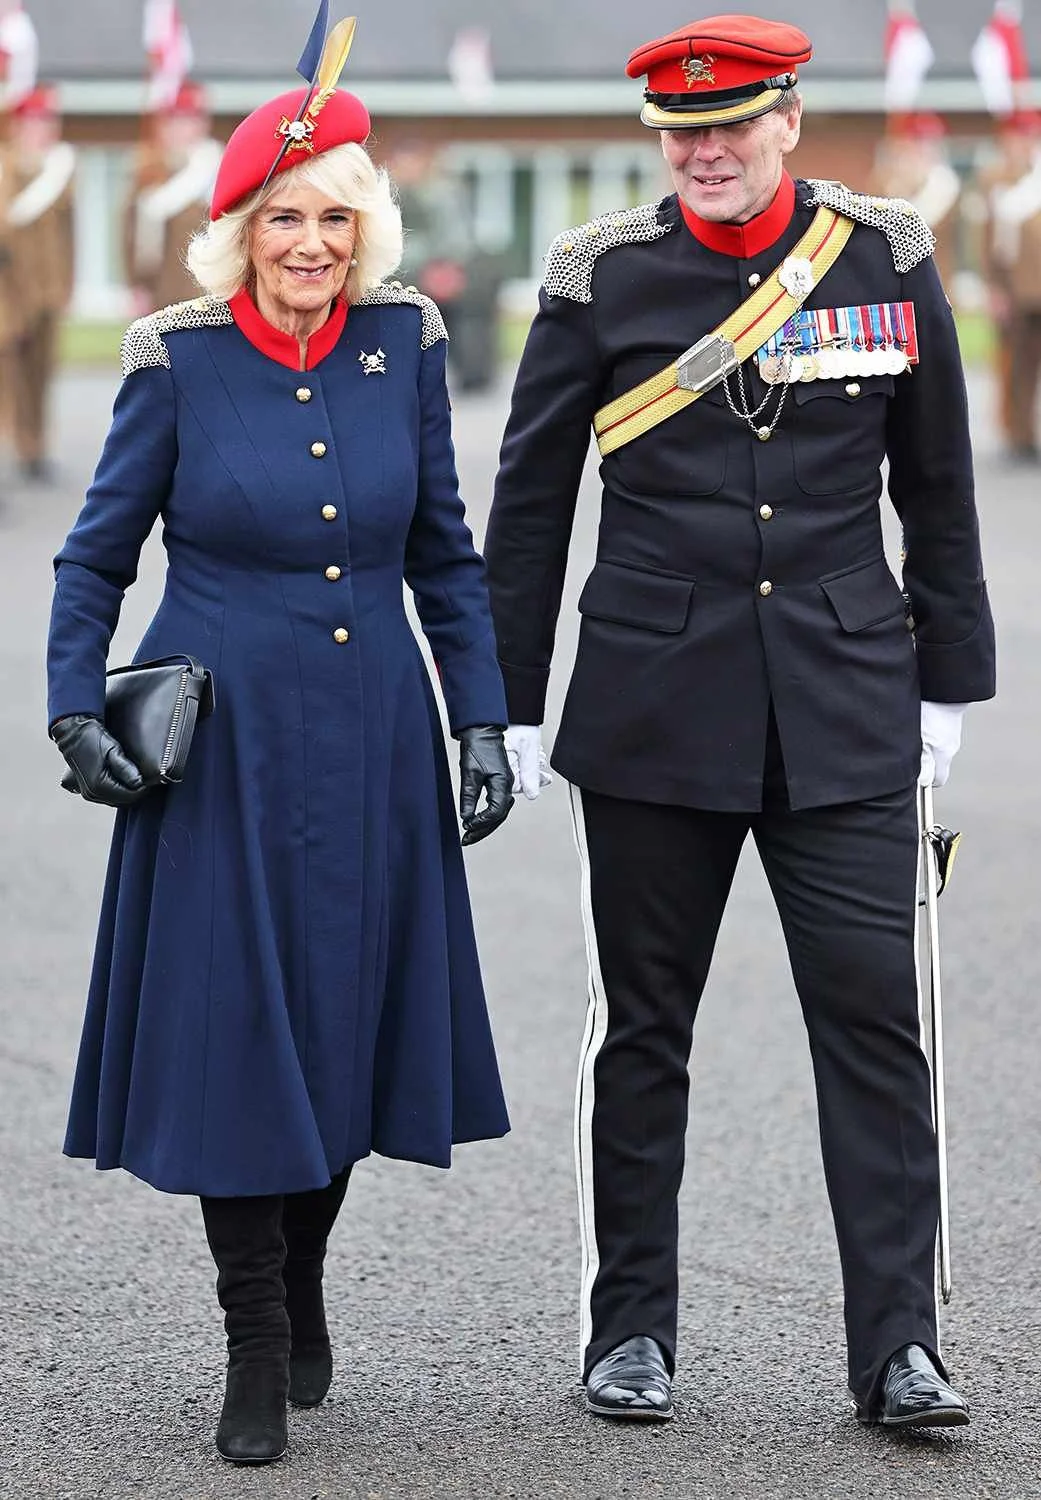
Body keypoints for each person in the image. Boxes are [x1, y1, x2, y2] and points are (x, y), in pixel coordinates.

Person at [484, 14, 994, 1431]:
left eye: (729, 125)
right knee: (641, 1032)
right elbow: (530, 506)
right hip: (650, 713)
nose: (703, 152)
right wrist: (504, 704)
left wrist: (946, 679)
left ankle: (900, 1347)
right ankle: (628, 1330)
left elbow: (937, 486)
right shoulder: (604, 280)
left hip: (844, 709)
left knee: (877, 1033)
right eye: (679, 133)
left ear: (787, 117)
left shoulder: (883, 254)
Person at [46, 46, 513, 1467]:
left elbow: (444, 551)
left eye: (330, 217)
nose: (307, 244)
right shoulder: (176, 361)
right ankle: (254, 1330)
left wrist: (479, 715)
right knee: (238, 1038)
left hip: (372, 739)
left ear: (362, 227)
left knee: (344, 1029)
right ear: (239, 233)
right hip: (226, 756)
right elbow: (92, 560)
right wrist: (76, 707)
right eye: (280, 219)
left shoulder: (404, 351)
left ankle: (305, 1271)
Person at [2, 83, 75, 481]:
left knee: (40, 373)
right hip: (10, 292)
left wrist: (67, 282)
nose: (41, 130)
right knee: (7, 377)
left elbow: (69, 233)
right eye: (33, 122)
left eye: (47, 122)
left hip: (47, 289)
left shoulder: (59, 170)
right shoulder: (6, 166)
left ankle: (34, 447)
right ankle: (10, 444)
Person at [122, 80, 221, 315]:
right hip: (161, 291)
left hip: (207, 291)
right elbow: (131, 234)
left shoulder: (217, 168)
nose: (181, 130)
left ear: (203, 124)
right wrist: (136, 285)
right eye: (174, 122)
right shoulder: (149, 171)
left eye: (189, 121)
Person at [977, 110, 1041, 461]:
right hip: (1016, 289)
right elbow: (988, 239)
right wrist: (994, 288)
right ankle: (1019, 433)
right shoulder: (995, 179)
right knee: (1017, 365)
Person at [867, 112, 960, 292]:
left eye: (930, 143)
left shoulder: (946, 184)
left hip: (936, 278)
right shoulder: (885, 181)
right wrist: (901, 185)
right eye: (918, 142)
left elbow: (938, 229)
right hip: (892, 278)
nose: (924, 150)